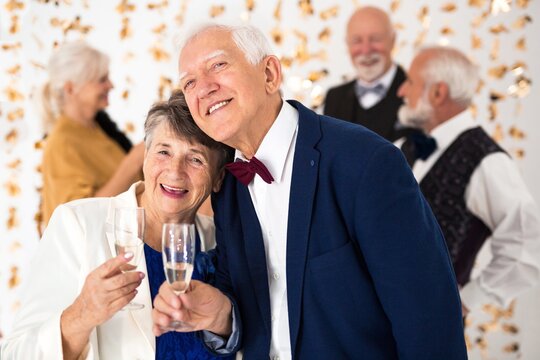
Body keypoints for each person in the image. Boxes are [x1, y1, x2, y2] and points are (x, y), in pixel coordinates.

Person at [151, 23, 468, 359]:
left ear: (270, 74)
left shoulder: (365, 160)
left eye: (218, 65)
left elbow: (428, 316)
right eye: (189, 82)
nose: (204, 89)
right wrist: (221, 315)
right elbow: (253, 312)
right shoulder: (228, 187)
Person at [1, 91, 233, 359]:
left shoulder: (221, 241)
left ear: (218, 178)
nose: (175, 171)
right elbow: (16, 354)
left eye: (196, 159)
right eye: (163, 151)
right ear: (145, 156)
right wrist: (82, 314)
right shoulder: (79, 223)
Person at [396, 46, 540, 317]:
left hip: (434, 327)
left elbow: (527, 245)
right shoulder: (405, 148)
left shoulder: (487, 160)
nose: (401, 91)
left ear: (438, 93)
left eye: (411, 82)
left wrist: (466, 300)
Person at [38, 41, 145, 226]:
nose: (111, 85)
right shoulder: (62, 143)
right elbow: (80, 217)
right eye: (101, 80)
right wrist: (133, 161)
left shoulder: (100, 128)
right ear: (71, 89)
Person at [323, 6, 408, 141]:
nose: (366, 50)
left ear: (393, 40)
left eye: (375, 39)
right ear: (347, 44)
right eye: (357, 40)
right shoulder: (334, 98)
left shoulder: (417, 94)